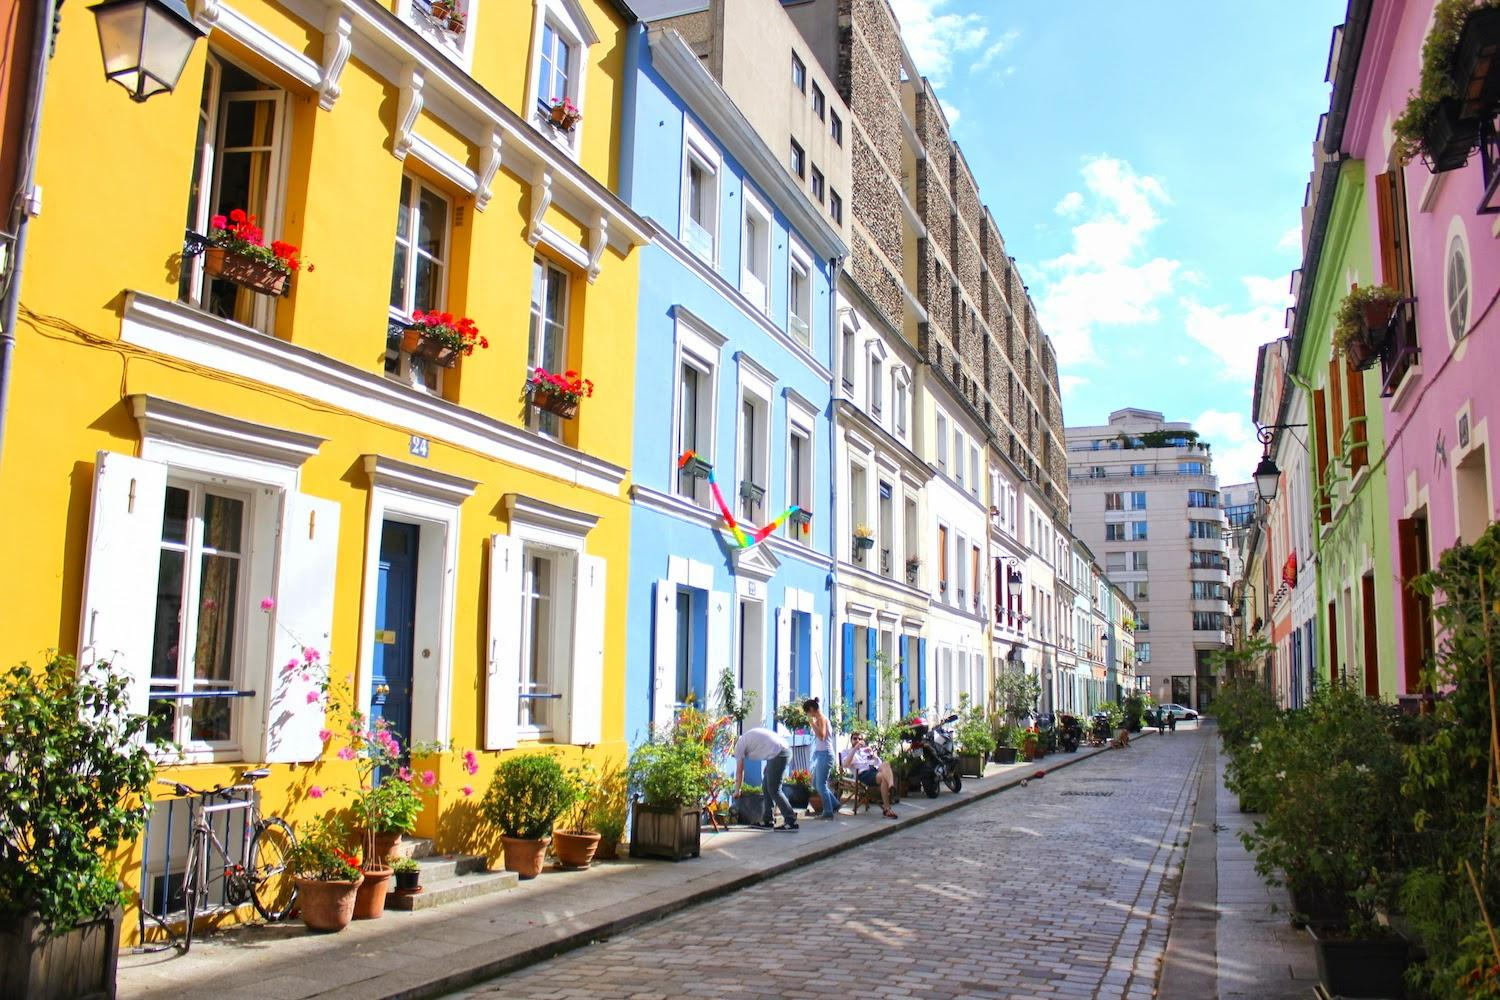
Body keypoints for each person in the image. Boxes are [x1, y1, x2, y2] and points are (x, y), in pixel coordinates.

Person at [734, 726, 798, 830]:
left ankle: (790, 820)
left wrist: (737, 790)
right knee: (766, 787)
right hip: (779, 751)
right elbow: (768, 745)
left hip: (779, 753)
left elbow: (739, 771)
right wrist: (769, 766)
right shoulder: (746, 738)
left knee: (774, 789)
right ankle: (768, 820)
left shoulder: (739, 746)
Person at [839, 731, 899, 819]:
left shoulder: (865, 750)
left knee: (886, 764)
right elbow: (845, 765)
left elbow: (878, 763)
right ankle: (887, 808)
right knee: (883, 778)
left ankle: (891, 786)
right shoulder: (847, 752)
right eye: (855, 738)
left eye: (860, 739)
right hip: (863, 774)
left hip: (873, 770)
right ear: (851, 740)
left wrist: (873, 755)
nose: (857, 740)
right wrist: (855, 749)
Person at [804, 697, 839, 819]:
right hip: (821, 754)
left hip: (825, 754)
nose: (808, 715)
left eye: (807, 712)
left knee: (821, 784)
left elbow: (822, 736)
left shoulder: (821, 719)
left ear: (812, 710)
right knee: (815, 782)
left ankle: (828, 812)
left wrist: (812, 723)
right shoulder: (819, 719)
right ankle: (834, 804)